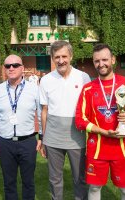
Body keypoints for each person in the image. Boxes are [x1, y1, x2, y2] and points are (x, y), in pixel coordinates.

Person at [75, 43, 125, 200]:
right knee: (94, 188)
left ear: (113, 59)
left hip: (122, 147)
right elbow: (80, 120)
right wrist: (103, 132)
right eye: (96, 61)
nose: (101, 64)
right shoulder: (88, 89)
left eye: (104, 59)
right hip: (97, 149)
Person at [39, 40, 90, 200]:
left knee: (80, 178)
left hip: (77, 136)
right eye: (57, 57)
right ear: (52, 58)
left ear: (71, 56)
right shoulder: (46, 79)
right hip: (53, 138)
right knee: (55, 179)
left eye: (64, 56)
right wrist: (43, 137)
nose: (61, 60)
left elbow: (88, 107)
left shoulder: (83, 77)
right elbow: (44, 111)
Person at [0, 55, 42, 200]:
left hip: (28, 142)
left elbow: (41, 116)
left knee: (28, 182)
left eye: (15, 65)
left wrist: (41, 137)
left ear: (22, 68)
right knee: (9, 182)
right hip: (5, 143)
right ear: (4, 69)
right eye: (7, 66)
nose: (11, 68)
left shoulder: (34, 89)